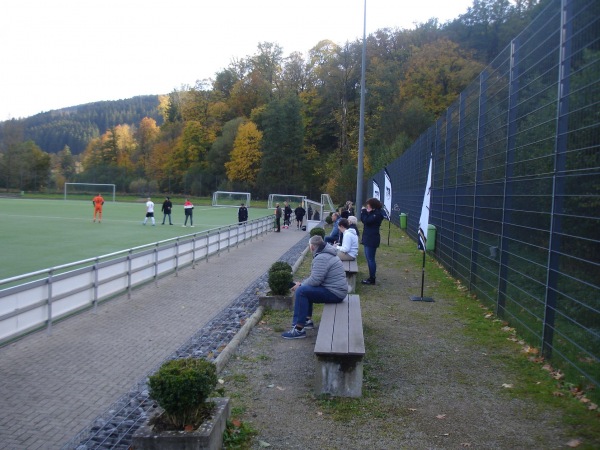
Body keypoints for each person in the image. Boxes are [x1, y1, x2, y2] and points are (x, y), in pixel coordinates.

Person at [282, 235, 348, 339]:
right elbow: (316, 279)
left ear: (312, 247)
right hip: (337, 290)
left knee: (301, 291)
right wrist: (302, 284)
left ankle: (298, 329)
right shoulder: (325, 253)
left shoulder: (322, 257)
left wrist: (301, 285)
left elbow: (315, 281)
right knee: (306, 289)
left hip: (335, 292)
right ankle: (307, 320)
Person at [360, 197, 385, 285]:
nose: (367, 206)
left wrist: (363, 212)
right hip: (368, 238)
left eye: (368, 204)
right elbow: (365, 220)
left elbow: (366, 221)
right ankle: (371, 276)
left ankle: (372, 278)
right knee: (369, 258)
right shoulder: (373, 213)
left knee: (370, 259)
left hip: (372, 239)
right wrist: (367, 212)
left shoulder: (377, 214)